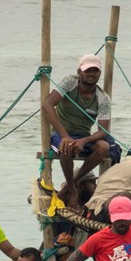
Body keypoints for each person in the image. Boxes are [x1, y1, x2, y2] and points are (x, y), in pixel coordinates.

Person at [42, 54, 119, 208]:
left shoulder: (103, 98)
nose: (91, 74)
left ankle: (69, 186)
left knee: (104, 147)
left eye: (95, 71)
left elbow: (103, 130)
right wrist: (65, 136)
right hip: (61, 133)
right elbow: (47, 104)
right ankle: (72, 190)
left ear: (99, 73)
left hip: (83, 136)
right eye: (87, 70)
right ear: (79, 71)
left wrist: (84, 141)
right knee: (66, 147)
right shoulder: (70, 82)